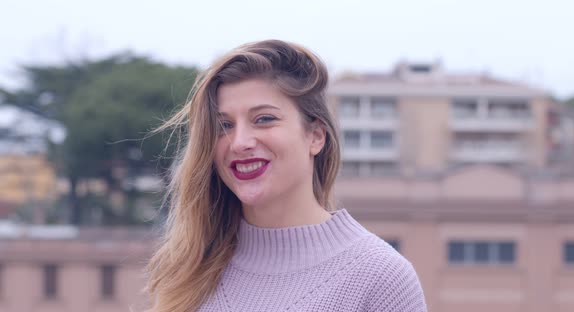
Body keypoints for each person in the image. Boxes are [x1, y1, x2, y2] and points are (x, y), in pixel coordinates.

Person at [145, 39, 427, 312]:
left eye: (264, 119)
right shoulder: (189, 269)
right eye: (224, 125)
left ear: (315, 136)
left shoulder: (381, 278)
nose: (239, 142)